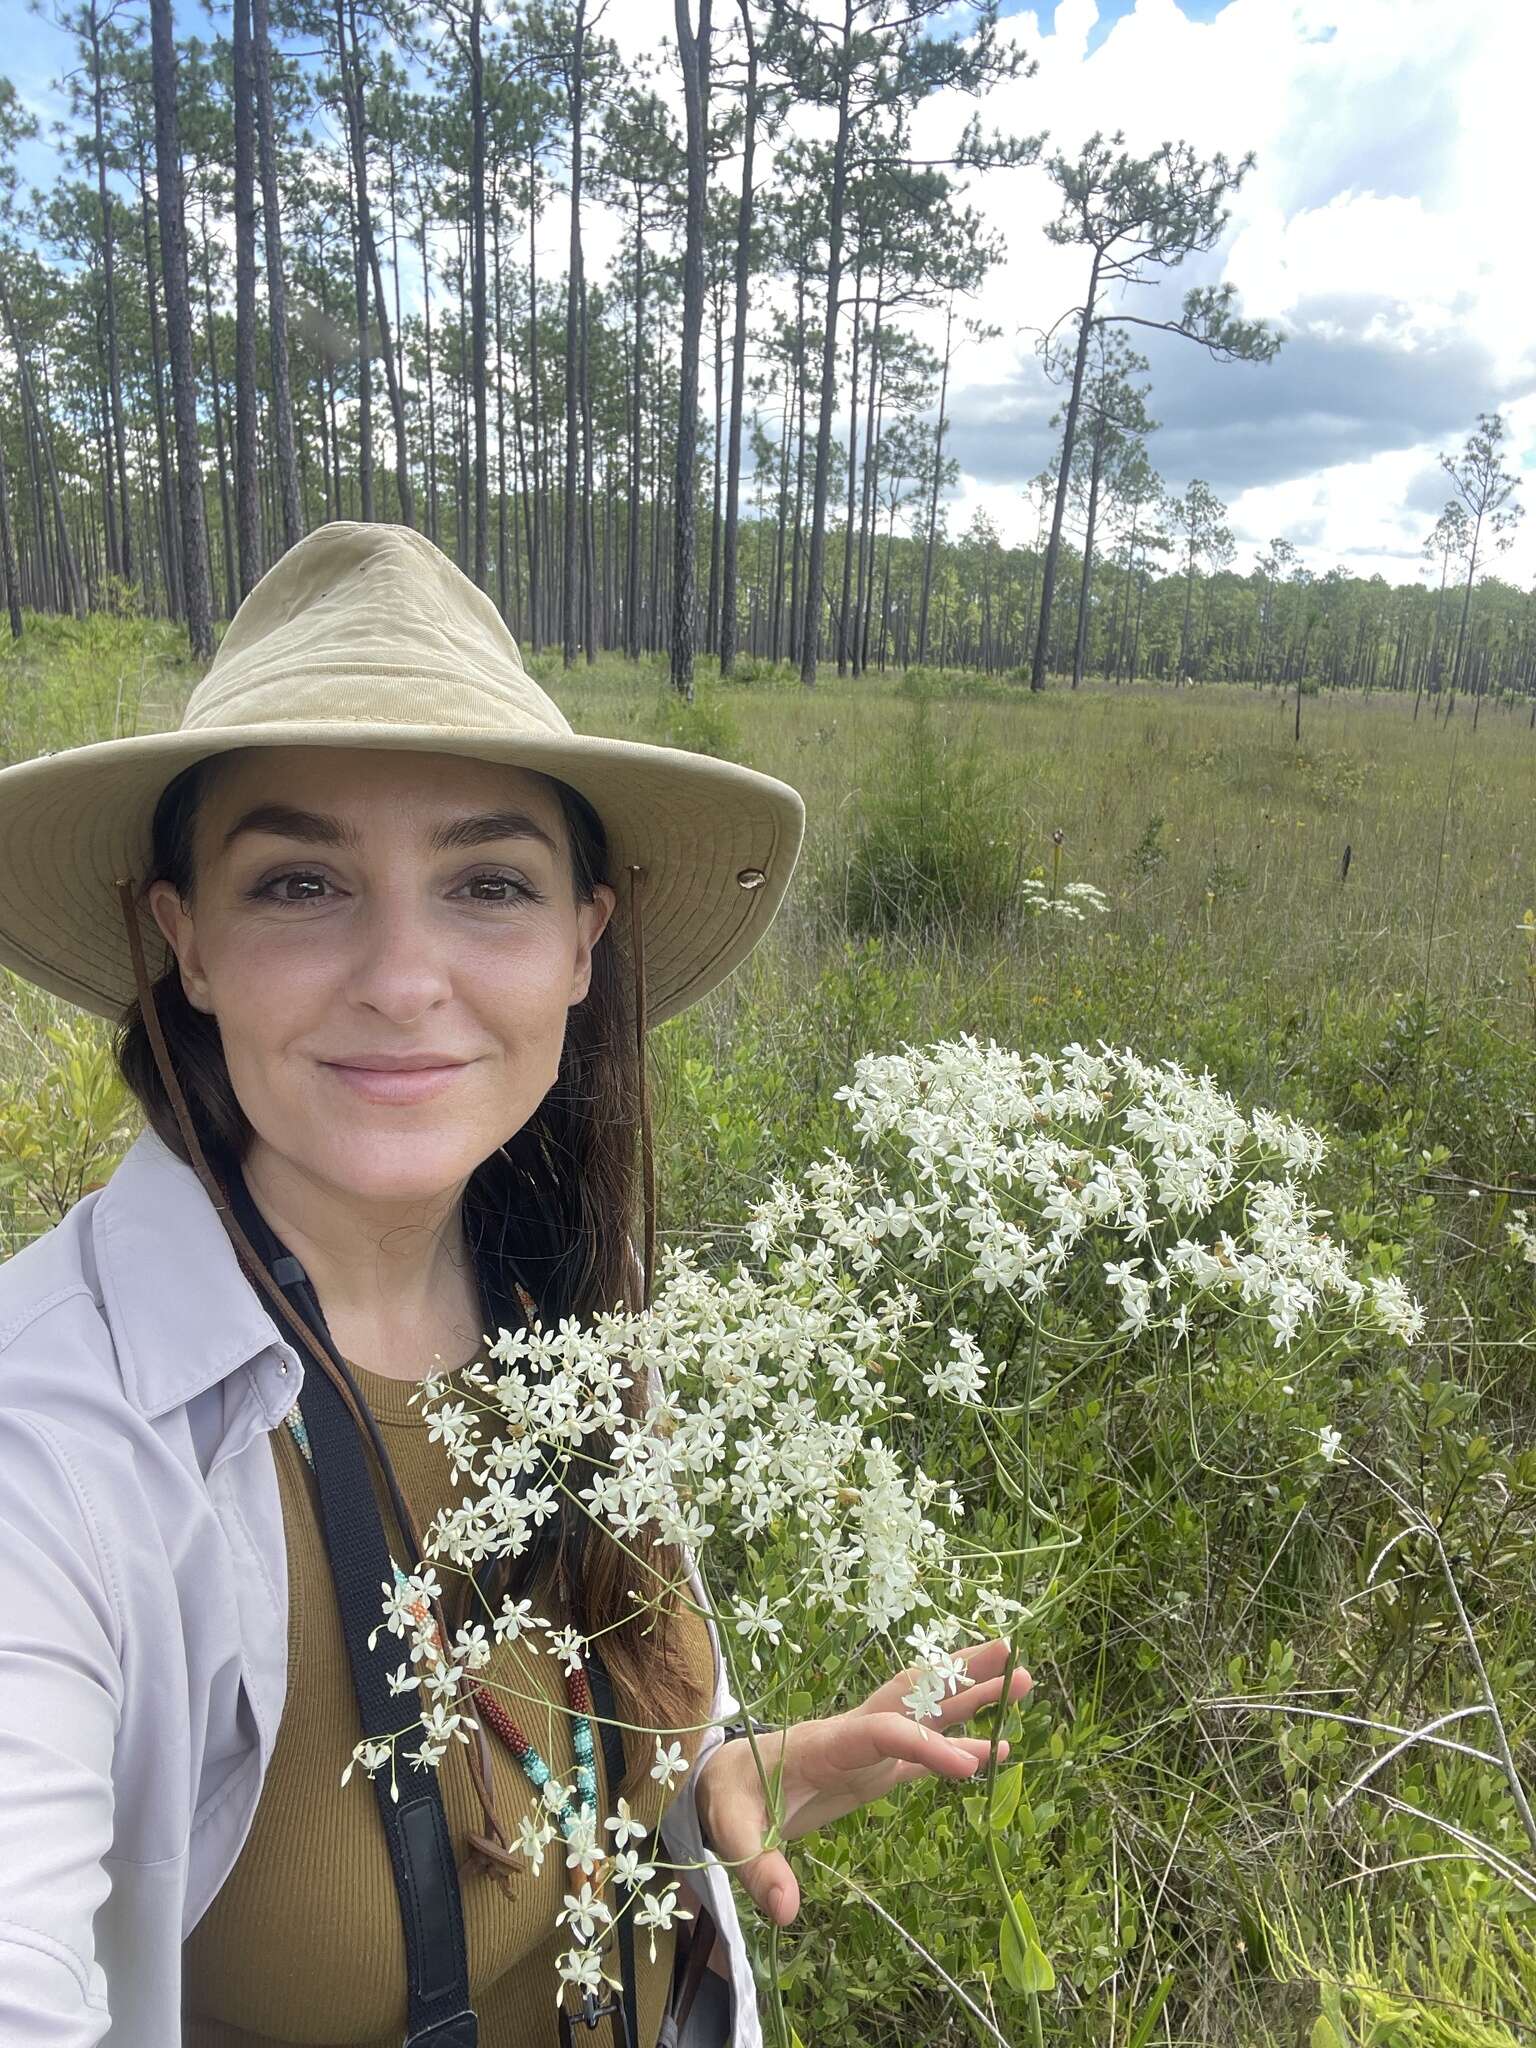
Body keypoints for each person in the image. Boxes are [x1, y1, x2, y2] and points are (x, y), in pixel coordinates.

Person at [0, 521, 1031, 2048]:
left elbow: (549, 1759)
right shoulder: (53, 1448)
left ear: (580, 945)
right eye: (298, 884)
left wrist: (706, 1776)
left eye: (488, 883)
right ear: (185, 942)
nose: (405, 978)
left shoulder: (565, 1296)